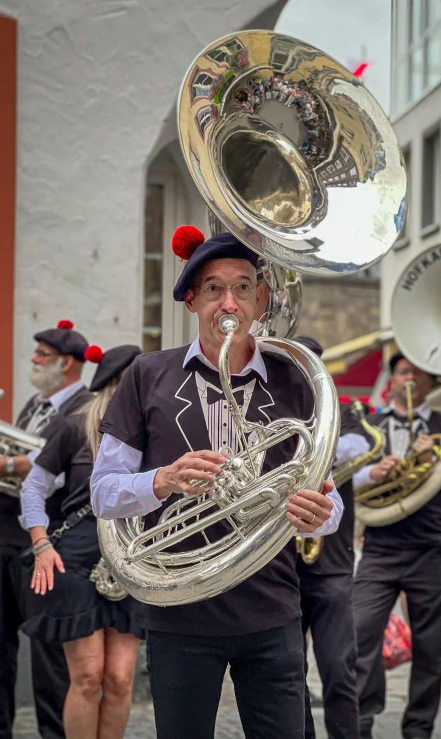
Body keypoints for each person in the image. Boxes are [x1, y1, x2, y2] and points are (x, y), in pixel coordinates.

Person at [90, 226, 343, 739]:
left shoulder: (297, 379)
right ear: (191, 301)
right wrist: (162, 480)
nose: (229, 301)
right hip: (180, 615)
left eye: (243, 287)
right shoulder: (147, 375)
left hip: (272, 609)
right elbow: (102, 492)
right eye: (213, 289)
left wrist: (322, 516)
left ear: (260, 299)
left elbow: (328, 500)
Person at [348, 352, 441, 739]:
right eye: (404, 372)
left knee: (430, 645)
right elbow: (345, 482)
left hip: (432, 549)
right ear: (391, 380)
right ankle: (361, 722)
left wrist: (437, 461)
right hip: (380, 548)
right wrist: (374, 473)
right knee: (361, 633)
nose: (411, 380)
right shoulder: (369, 426)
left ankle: (419, 729)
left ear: (429, 384)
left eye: (418, 375)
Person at [19, 344, 143, 739]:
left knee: (121, 678)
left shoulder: (152, 429)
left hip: (130, 557)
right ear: (115, 384)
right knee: (88, 676)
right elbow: (33, 488)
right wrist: (41, 544)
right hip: (75, 560)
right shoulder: (74, 425)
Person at [0, 319, 91, 739]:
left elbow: (53, 476)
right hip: (10, 538)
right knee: (3, 648)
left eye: (43, 356)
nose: (33, 361)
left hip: (50, 543)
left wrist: (12, 466)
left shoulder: (82, 409)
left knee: (50, 658)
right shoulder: (35, 405)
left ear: (67, 364)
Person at [295, 336, 367, 739]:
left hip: (334, 566)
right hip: (286, 568)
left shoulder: (343, 415)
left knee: (340, 671)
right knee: (292, 676)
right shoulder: (275, 410)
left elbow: (354, 450)